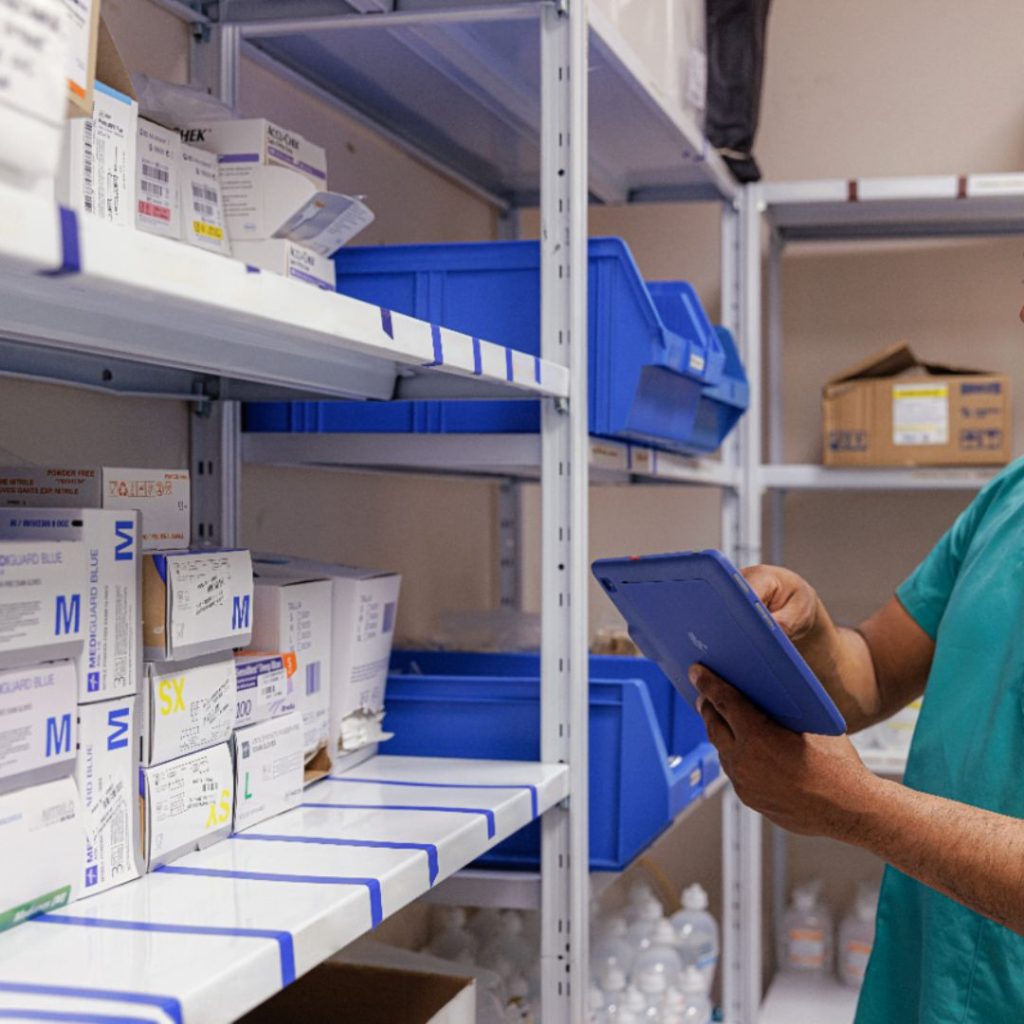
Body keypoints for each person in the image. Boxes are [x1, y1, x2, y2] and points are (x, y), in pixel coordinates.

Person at [691, 368, 1024, 1015]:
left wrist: (860, 810)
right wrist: (809, 625)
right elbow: (871, 667)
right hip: (916, 990)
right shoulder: (1009, 498)